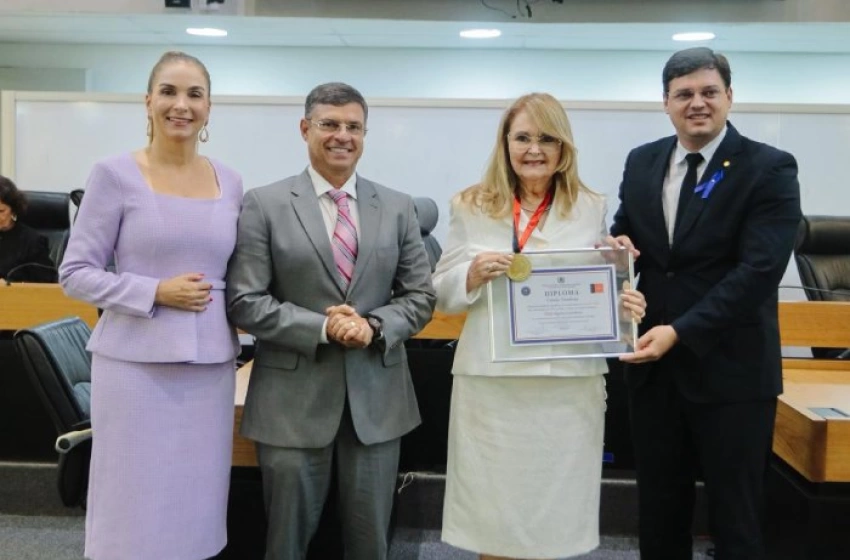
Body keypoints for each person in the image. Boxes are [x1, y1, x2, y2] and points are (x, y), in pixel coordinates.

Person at [226, 82, 436, 560]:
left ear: (364, 134)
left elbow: (420, 296)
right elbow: (245, 300)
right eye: (329, 124)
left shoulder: (399, 207)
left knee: (370, 544)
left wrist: (373, 326)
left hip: (376, 404)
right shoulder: (265, 204)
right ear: (305, 129)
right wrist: (323, 328)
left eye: (353, 127)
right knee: (286, 543)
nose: (342, 135)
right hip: (291, 404)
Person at [432, 92, 646, 560]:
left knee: (556, 515)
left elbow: (591, 287)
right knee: (495, 515)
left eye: (546, 138)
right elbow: (441, 290)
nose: (534, 149)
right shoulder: (470, 204)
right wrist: (469, 275)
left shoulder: (590, 205)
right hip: (492, 384)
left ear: (563, 147)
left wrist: (622, 289)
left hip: (566, 387)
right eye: (522, 137)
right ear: (505, 143)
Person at [610, 47, 802, 560]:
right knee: (658, 514)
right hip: (653, 370)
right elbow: (628, 232)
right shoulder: (643, 160)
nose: (697, 103)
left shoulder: (769, 168)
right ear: (666, 103)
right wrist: (616, 248)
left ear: (729, 97)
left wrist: (682, 331)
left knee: (736, 521)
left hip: (731, 374)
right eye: (684, 94)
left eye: (709, 92)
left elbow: (759, 272)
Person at [59, 51, 243, 560]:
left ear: (209, 107)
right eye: (168, 91)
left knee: (197, 500)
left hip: (209, 368)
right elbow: (75, 274)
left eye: (194, 94)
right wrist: (154, 292)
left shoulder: (230, 180)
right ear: (147, 101)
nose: (180, 105)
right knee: (133, 498)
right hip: (133, 368)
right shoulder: (113, 174)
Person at [0, 175, 56, 283]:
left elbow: (47, 282)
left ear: (13, 210)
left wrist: (9, 284)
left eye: (1, 211)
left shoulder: (33, 242)